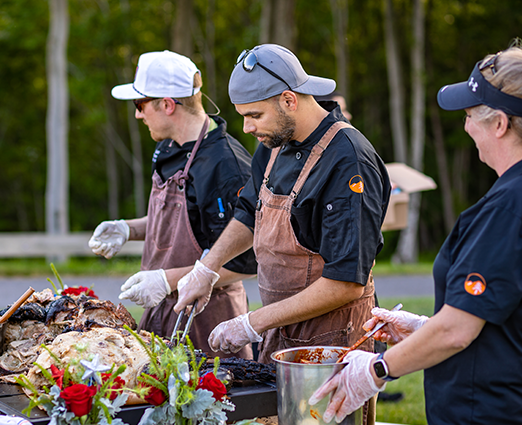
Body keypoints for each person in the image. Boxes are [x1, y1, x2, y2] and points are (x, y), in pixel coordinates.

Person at [172, 44, 390, 424]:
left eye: (254, 115)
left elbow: (346, 283)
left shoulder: (348, 159)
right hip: (280, 333)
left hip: (332, 343)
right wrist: (206, 268)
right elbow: (248, 214)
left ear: (289, 100)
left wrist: (250, 323)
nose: (247, 128)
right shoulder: (274, 144)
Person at [309, 45, 522, 424]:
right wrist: (423, 326)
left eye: (470, 115)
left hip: (489, 410)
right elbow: (495, 313)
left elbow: (458, 331)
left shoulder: (507, 209)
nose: (466, 126)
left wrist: (376, 370)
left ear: (501, 124)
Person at [88, 50, 256, 359]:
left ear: (167, 105)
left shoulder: (227, 166)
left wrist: (167, 279)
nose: (138, 114)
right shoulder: (167, 148)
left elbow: (245, 262)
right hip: (160, 313)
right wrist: (129, 228)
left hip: (208, 323)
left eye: (141, 105)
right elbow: (180, 221)